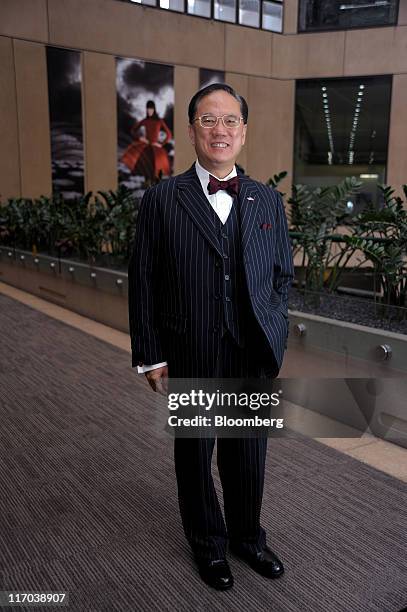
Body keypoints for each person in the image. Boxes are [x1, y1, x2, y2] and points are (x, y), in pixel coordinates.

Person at [128, 83, 294, 590]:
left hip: (250, 351)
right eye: (208, 120)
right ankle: (209, 545)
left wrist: (274, 333)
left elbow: (283, 277)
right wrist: (150, 355)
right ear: (193, 129)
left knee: (248, 453)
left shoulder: (268, 200)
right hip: (192, 347)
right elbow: (143, 281)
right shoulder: (161, 200)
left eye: (229, 121)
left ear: (243, 133)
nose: (219, 130)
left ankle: (248, 538)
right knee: (196, 454)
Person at [121, 100, 172, 180]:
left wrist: (160, 144)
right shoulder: (145, 120)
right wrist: (140, 138)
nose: (149, 111)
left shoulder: (159, 121)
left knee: (157, 169)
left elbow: (169, 135)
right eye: (148, 109)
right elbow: (133, 130)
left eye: (151, 109)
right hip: (146, 144)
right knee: (141, 167)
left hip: (155, 146)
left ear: (154, 109)